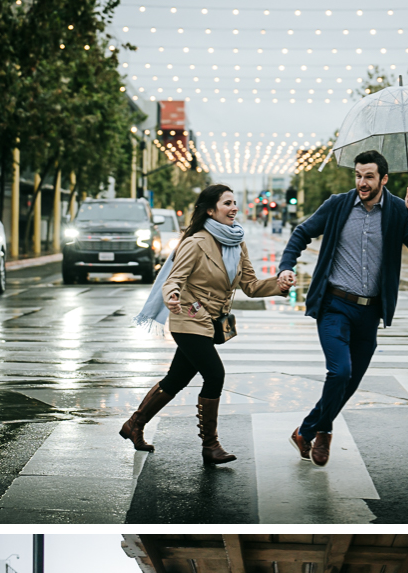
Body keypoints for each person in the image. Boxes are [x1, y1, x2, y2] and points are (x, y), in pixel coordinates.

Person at [277, 150, 408, 467]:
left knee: (350, 383)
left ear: (384, 179)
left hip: (370, 313)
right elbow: (301, 232)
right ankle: (322, 432)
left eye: (369, 176)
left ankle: (304, 431)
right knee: (341, 372)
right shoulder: (338, 204)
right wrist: (285, 266)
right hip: (334, 305)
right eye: (358, 176)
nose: (362, 182)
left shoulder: (397, 211)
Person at [120, 185, 294, 462]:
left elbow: (250, 286)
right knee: (215, 375)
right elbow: (174, 279)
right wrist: (173, 296)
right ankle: (210, 446)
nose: (234, 208)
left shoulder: (237, 243)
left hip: (210, 323)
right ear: (211, 210)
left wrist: (279, 284)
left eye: (235, 202)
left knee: (176, 379)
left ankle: (134, 424)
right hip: (188, 320)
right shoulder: (195, 242)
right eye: (227, 203)